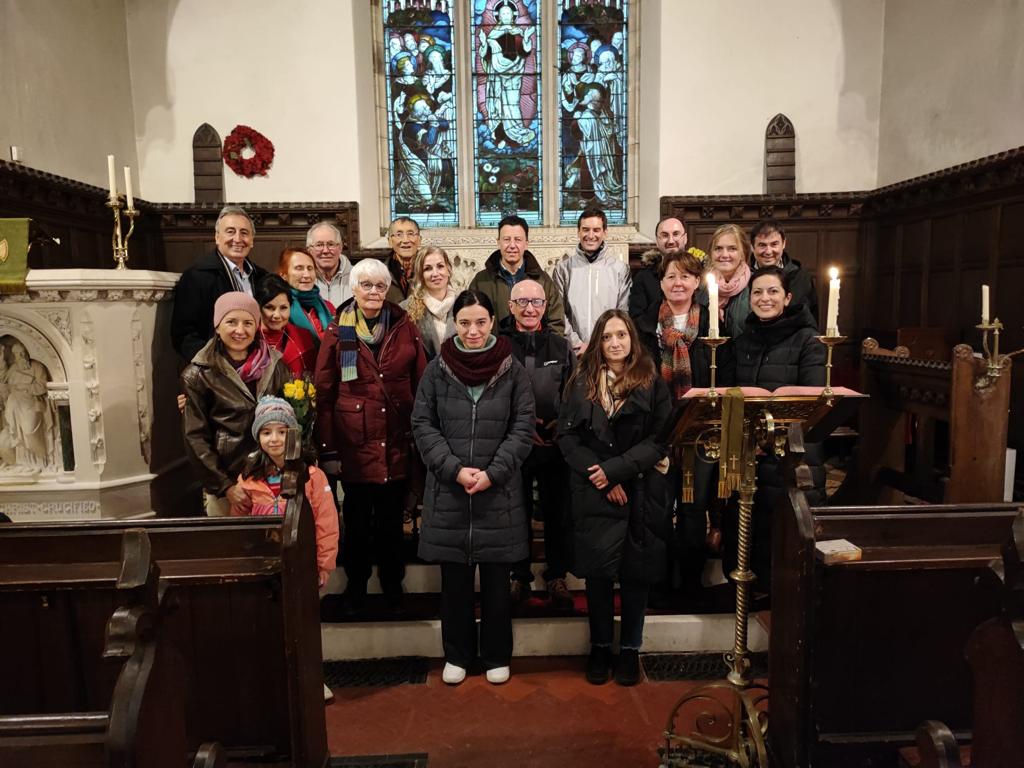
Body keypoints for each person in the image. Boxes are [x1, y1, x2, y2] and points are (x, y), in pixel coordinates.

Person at [411, 290, 535, 686]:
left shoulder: (512, 369)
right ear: (455, 324)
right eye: (464, 323)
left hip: (498, 492)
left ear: (492, 322)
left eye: (480, 322)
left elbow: (522, 428)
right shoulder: (437, 369)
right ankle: (458, 653)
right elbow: (422, 424)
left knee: (498, 582)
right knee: (455, 582)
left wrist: (492, 473)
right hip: (450, 491)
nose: (473, 330)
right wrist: (453, 469)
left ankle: (496, 653)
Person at [557, 309, 672, 687]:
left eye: (621, 335)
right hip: (595, 489)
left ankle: (630, 650)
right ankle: (601, 647)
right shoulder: (581, 381)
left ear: (632, 339)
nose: (615, 343)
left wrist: (616, 471)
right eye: (606, 337)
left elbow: (660, 438)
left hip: (640, 488)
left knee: (636, 575)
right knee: (599, 574)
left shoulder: (651, 379)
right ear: (598, 343)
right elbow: (567, 437)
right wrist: (603, 478)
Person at [314, 259, 426, 613]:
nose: (374, 292)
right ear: (353, 288)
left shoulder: (404, 326)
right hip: (354, 443)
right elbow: (325, 393)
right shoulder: (339, 331)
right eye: (366, 285)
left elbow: (421, 382)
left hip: (396, 437)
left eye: (380, 285)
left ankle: (393, 585)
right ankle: (357, 586)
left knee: (392, 521)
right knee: (358, 522)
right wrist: (328, 449)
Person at [231, 395, 341, 701]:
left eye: (282, 431)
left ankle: (311, 679)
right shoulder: (248, 478)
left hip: (301, 563)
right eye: (267, 432)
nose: (274, 439)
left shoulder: (312, 476)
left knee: (303, 625)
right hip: (265, 565)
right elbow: (238, 524)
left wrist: (323, 564)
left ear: (293, 434)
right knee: (268, 625)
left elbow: (327, 523)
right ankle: (275, 683)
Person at [726, 266, 826, 591]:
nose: (764, 298)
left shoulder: (808, 340)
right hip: (749, 454)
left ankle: (781, 601)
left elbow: (812, 404)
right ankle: (751, 594)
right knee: (750, 527)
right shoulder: (744, 340)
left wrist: (767, 438)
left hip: (793, 453)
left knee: (785, 531)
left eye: (772, 291)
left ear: (787, 297)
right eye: (757, 292)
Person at [635, 251, 718, 606]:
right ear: (661, 283)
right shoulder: (644, 326)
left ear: (697, 282)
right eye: (671, 276)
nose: (678, 283)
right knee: (658, 507)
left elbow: (723, 375)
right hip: (659, 430)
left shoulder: (713, 325)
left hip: (700, 431)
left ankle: (690, 582)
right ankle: (659, 582)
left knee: (693, 508)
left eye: (685, 276)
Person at [500, 280, 576, 611]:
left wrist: (563, 424)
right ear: (511, 306)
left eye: (536, 302)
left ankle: (557, 576)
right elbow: (492, 395)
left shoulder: (560, 346)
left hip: (553, 444)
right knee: (516, 513)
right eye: (522, 302)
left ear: (545, 306)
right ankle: (519, 576)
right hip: (514, 444)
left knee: (558, 513)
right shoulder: (499, 346)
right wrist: (519, 426)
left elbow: (573, 392)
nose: (530, 308)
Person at [181, 292, 290, 517]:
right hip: (228, 481)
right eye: (231, 322)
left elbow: (293, 421)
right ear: (217, 326)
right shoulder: (198, 374)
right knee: (232, 539)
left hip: (273, 479)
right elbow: (196, 438)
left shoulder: (275, 365)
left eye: (248, 323)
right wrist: (225, 486)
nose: (240, 330)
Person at [171, 206, 267, 362]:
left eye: (244, 233)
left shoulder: (261, 276)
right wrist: (215, 364)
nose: (237, 239)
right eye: (230, 231)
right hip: (216, 366)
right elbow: (184, 335)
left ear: (252, 240)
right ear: (217, 237)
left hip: (257, 364)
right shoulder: (197, 276)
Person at [469, 214, 565, 333]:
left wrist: (545, 344)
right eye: (507, 239)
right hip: (495, 344)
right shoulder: (481, 281)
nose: (512, 245)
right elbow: (471, 318)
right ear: (498, 242)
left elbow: (556, 322)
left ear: (526, 243)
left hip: (536, 344)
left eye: (518, 240)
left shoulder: (543, 280)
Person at [553, 208, 631, 354]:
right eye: (585, 230)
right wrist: (576, 343)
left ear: (605, 232)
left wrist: (605, 342)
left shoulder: (620, 269)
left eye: (596, 230)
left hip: (608, 349)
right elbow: (558, 312)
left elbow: (622, 312)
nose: (590, 235)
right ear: (578, 232)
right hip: (575, 350)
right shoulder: (563, 269)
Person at [478, 0, 537, 147]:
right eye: (502, 13)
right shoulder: (493, 35)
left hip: (513, 77)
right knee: (497, 104)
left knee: (512, 104)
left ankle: (516, 135)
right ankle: (499, 136)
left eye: (508, 13)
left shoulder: (518, 33)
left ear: (513, 16)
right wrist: (484, 44)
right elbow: (487, 57)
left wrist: (526, 39)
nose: (505, 15)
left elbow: (524, 53)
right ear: (498, 16)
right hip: (496, 77)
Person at [629, 216, 708, 321]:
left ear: (685, 238)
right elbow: (636, 319)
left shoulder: (701, 272)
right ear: (657, 241)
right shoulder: (643, 278)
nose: (671, 241)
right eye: (665, 235)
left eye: (676, 234)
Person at [750, 220, 818, 322]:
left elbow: (811, 319)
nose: (768, 251)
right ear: (752, 247)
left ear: (783, 244)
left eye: (774, 244)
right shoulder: (742, 278)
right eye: (762, 245)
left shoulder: (801, 278)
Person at [255, 275, 318, 377]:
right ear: (258, 306)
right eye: (269, 308)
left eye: (283, 308)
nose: (277, 315)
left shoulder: (305, 338)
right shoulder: (248, 339)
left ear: (290, 307)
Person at [401, 246, 457, 359]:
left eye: (440, 266)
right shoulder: (405, 310)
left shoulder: (464, 304)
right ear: (420, 275)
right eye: (428, 269)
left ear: (448, 270)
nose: (435, 273)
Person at [702, 223, 752, 338]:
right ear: (711, 253)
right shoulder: (700, 287)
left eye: (732, 249)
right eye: (718, 248)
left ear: (743, 253)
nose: (724, 255)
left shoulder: (755, 285)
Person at [277, 248, 335, 341]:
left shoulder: (328, 307)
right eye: (299, 268)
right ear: (284, 275)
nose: (307, 275)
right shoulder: (278, 310)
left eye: (310, 268)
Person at [308, 222, 353, 308]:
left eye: (331, 244)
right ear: (309, 250)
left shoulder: (358, 277)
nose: (325, 251)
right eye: (319, 245)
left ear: (340, 248)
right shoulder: (302, 279)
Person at [385, 217, 422, 304]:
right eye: (399, 235)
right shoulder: (380, 272)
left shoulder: (430, 269)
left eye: (411, 234)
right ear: (390, 241)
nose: (405, 240)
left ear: (419, 240)